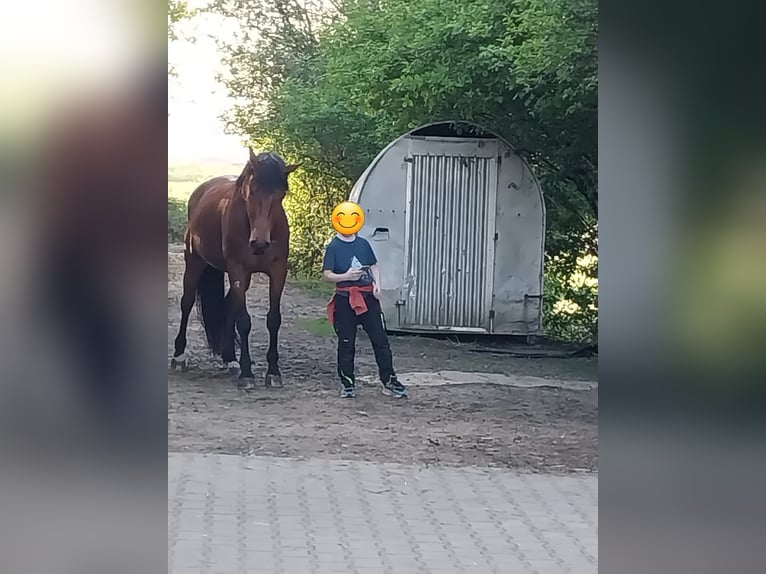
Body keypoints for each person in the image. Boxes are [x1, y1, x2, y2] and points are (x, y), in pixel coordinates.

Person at [323, 224, 408, 399]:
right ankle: (347, 384)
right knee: (346, 343)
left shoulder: (363, 244)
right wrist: (346, 276)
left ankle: (389, 380)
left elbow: (373, 266)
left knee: (380, 340)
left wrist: (377, 284)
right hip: (345, 299)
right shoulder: (333, 247)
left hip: (368, 298)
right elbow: (327, 274)